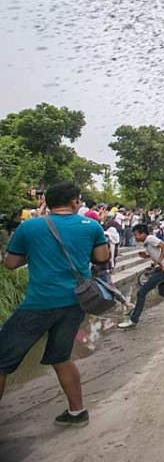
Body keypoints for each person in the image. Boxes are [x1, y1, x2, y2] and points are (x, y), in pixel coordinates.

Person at [0, 182, 110, 427]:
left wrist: (38, 251)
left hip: (39, 303)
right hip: (75, 303)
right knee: (61, 357)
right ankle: (77, 411)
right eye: (79, 200)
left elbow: (10, 263)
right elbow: (102, 258)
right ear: (73, 202)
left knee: (2, 360)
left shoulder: (30, 227)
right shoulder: (92, 226)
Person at [118, 224, 164, 329]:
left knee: (141, 292)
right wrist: (145, 255)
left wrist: (159, 260)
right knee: (163, 291)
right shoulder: (147, 243)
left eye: (136, 235)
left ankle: (133, 319)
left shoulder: (150, 238)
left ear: (143, 234)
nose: (135, 237)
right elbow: (154, 253)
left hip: (163, 270)